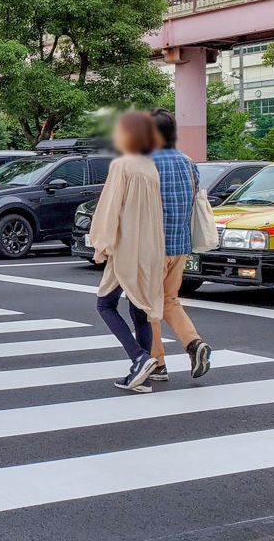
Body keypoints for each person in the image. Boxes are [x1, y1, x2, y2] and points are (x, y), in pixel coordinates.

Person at [87, 111, 165, 393]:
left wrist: (101, 244)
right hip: (150, 247)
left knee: (105, 304)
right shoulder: (149, 167)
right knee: (140, 309)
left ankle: (139, 357)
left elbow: (110, 208)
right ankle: (141, 372)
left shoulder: (122, 165)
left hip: (127, 246)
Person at [149, 109, 214, 381]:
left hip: (152, 245)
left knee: (148, 306)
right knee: (169, 301)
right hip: (181, 244)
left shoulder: (145, 163)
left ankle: (157, 363)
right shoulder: (188, 163)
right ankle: (193, 343)